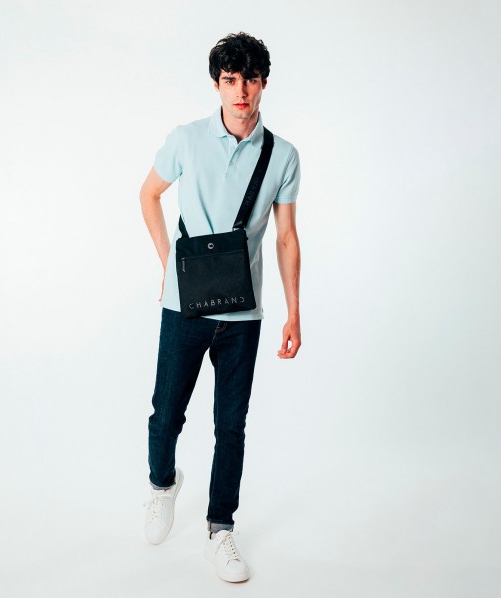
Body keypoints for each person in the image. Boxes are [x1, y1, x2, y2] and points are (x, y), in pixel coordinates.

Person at [139, 31, 301, 583]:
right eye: (230, 80)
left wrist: (294, 312)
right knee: (166, 413)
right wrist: (169, 263)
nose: (241, 91)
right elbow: (148, 194)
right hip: (182, 307)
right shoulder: (186, 139)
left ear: (264, 83)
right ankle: (163, 485)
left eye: (250, 79)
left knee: (231, 426)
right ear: (216, 84)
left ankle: (220, 529)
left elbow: (286, 237)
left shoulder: (282, 155)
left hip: (243, 315)